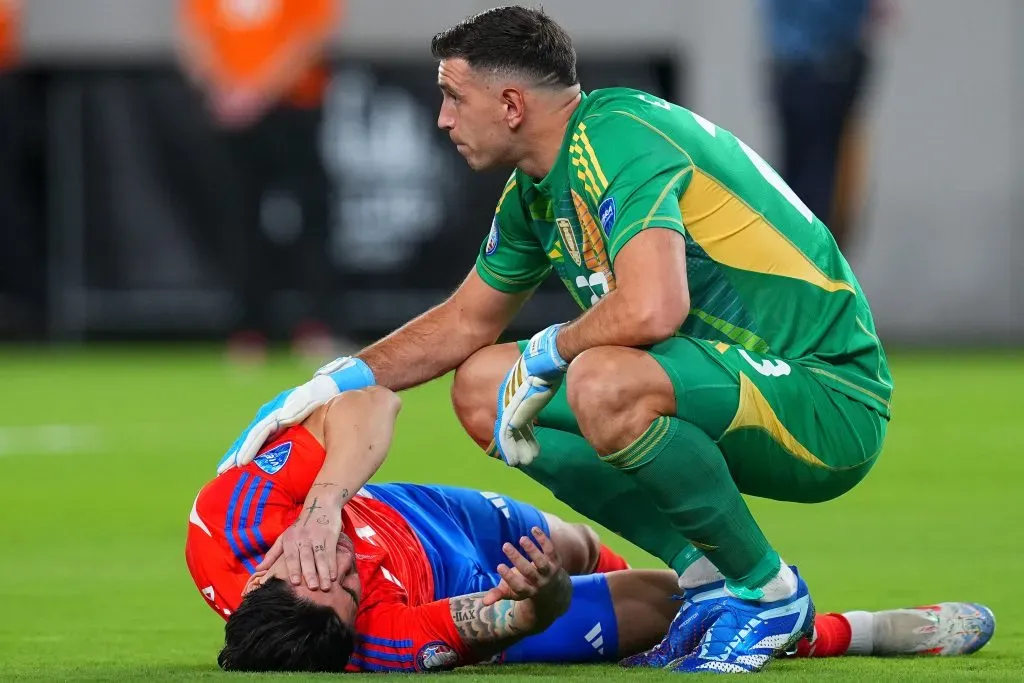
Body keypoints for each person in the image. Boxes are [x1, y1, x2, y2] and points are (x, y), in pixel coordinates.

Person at [215, 5, 902, 673]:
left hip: (826, 398)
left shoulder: (619, 137)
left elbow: (656, 306)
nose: (443, 118)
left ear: (512, 105)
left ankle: (769, 593)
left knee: (602, 378)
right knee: (484, 386)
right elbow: (463, 325)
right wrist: (332, 383)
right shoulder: (536, 188)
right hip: (728, 385)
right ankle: (708, 577)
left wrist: (550, 350)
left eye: (454, 96)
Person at [188, 387, 995, 672]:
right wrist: (532, 604)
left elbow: (374, 401)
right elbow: (502, 618)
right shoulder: (377, 643)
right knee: (673, 602)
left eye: (326, 564)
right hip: (485, 583)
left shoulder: (233, 520)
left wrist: (327, 500)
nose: (350, 568)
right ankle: (847, 633)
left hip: (450, 517)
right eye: (354, 592)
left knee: (575, 538)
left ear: (263, 574)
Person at [177, 0, 342, 361]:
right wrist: (222, 85)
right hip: (231, 111)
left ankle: (315, 326)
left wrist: (258, 91)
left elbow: (310, 36)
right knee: (237, 219)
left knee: (310, 217)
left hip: (294, 105)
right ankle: (247, 330)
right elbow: (195, 35)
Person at [759, 0, 887, 251]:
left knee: (796, 185)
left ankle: (798, 271)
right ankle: (814, 272)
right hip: (825, 70)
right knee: (819, 184)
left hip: (789, 71)